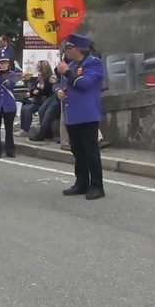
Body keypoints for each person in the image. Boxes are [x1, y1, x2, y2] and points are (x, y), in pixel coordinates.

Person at [57, 34, 106, 200]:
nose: (66, 51)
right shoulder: (70, 65)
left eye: (68, 47)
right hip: (72, 115)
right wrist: (58, 92)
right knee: (77, 151)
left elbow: (85, 83)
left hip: (87, 114)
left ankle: (97, 186)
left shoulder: (93, 63)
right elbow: (61, 85)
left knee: (90, 151)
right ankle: (81, 182)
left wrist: (67, 73)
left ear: (78, 49)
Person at [20, 60, 55, 133]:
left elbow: (47, 90)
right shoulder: (39, 77)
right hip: (38, 99)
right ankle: (23, 128)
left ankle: (25, 130)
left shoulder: (49, 78)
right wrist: (31, 93)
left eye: (39, 66)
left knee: (28, 110)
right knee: (23, 108)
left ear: (44, 68)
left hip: (45, 100)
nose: (37, 68)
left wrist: (37, 92)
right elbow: (36, 88)